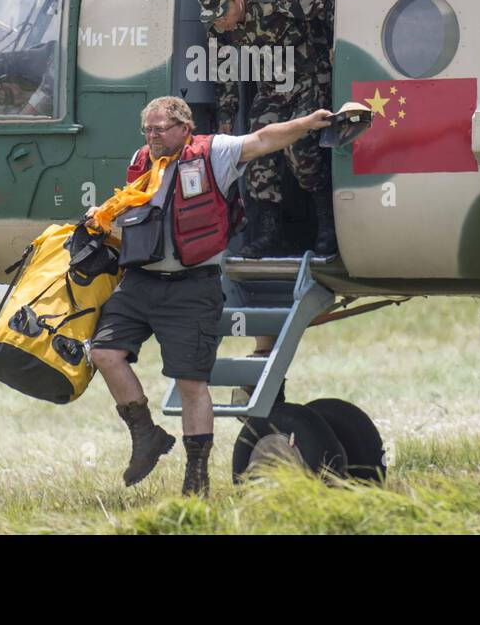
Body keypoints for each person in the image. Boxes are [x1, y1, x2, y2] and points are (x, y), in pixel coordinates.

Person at [87, 95, 332, 496]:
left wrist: (307, 122)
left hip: (192, 285)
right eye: (148, 129)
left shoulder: (214, 153)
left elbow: (264, 138)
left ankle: (196, 478)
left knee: (191, 383)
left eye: (161, 128)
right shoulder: (140, 160)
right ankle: (146, 434)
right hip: (140, 282)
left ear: (184, 127)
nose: (153, 136)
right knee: (104, 354)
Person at [196, 0, 336, 257]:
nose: (220, 21)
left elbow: (328, 4)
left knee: (299, 148)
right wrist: (226, 117)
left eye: (223, 13)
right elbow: (226, 74)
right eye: (213, 17)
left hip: (310, 78)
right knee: (254, 150)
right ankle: (269, 234)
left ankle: (327, 223)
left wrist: (339, 46)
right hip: (272, 88)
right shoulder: (219, 27)